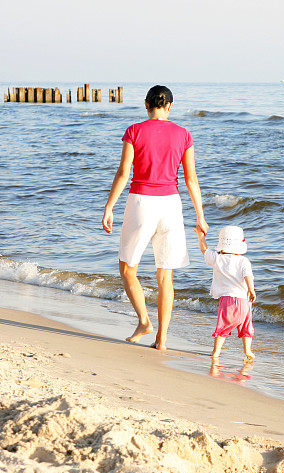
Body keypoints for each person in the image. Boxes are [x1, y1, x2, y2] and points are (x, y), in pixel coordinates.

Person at [102, 85, 208, 350]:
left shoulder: (134, 131)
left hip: (141, 202)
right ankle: (162, 339)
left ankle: (144, 321)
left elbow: (123, 173)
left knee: (127, 269)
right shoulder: (184, 134)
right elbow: (191, 179)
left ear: (146, 104)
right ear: (170, 106)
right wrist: (200, 216)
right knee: (165, 276)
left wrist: (109, 207)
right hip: (171, 206)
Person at [195, 225, 256, 360]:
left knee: (222, 327)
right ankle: (248, 351)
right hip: (244, 301)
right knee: (246, 327)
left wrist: (201, 237)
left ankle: (216, 351)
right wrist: (251, 290)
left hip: (227, 300)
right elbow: (248, 276)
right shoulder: (243, 261)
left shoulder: (217, 258)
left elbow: (204, 250)